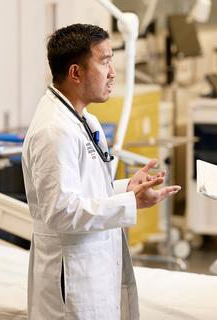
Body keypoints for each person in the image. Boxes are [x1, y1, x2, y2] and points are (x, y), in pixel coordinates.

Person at [22, 24, 181, 319]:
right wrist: (128, 202)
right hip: (69, 283)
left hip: (91, 268)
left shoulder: (86, 121)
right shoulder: (53, 131)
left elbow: (86, 190)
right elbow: (60, 211)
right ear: (76, 73)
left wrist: (125, 189)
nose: (113, 73)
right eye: (105, 62)